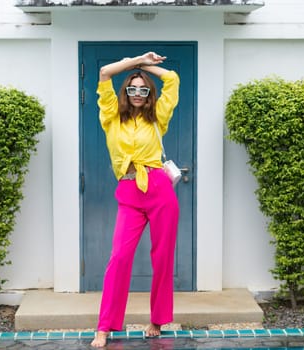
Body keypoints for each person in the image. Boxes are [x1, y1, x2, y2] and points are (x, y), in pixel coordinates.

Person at [91, 51, 180, 348]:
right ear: (126, 92)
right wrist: (136, 61)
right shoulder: (111, 116)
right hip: (129, 191)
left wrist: (146, 68)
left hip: (159, 188)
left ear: (149, 94)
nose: (139, 93)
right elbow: (104, 72)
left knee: (163, 257)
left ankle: (157, 319)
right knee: (119, 258)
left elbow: (172, 78)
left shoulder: (159, 117)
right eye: (133, 88)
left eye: (144, 89)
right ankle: (104, 326)